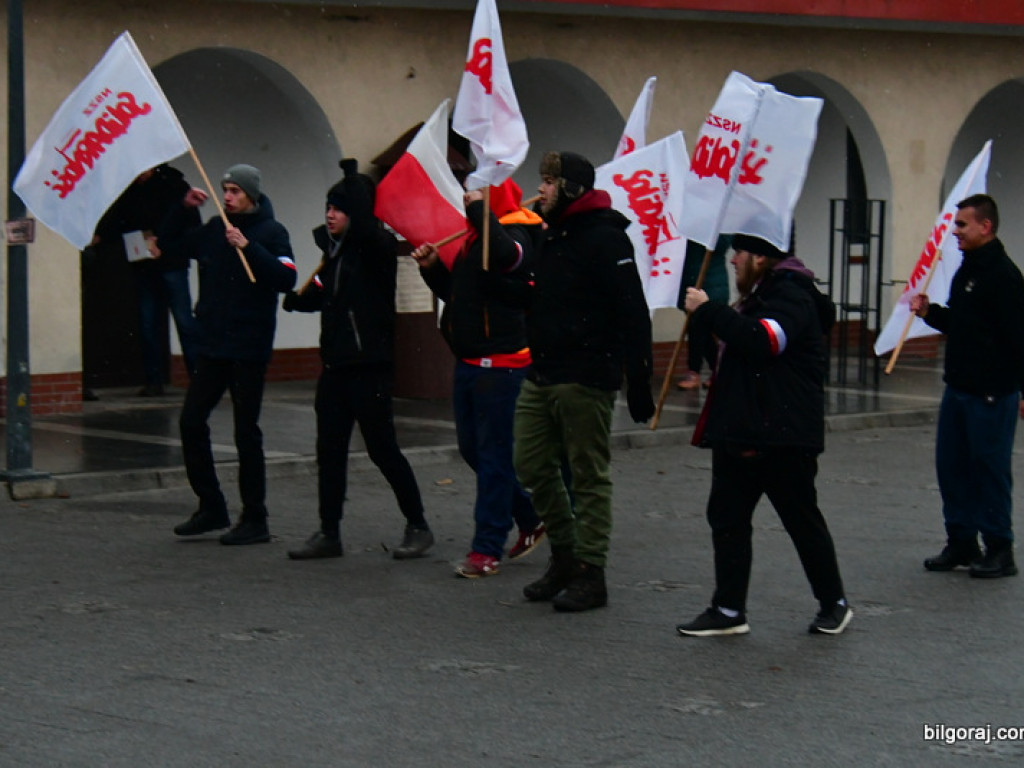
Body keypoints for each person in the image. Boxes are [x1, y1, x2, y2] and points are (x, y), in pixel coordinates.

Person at [676, 233, 852, 636]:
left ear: (760, 256)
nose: (733, 260)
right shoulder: (758, 294)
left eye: (739, 252)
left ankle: (834, 603)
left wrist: (711, 311)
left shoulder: (793, 294)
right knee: (728, 519)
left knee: (800, 519)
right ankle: (728, 609)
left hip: (781, 434)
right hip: (741, 428)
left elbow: (765, 341)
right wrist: (705, 320)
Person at [510, 151, 655, 612]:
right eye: (543, 180)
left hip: (587, 375)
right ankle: (566, 553)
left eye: (550, 181)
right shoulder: (552, 236)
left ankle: (591, 572)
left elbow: (633, 311)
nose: (543, 189)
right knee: (530, 463)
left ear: (571, 188)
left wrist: (640, 380)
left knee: (588, 474)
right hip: (544, 371)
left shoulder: (606, 240)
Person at [283, 160, 434, 561]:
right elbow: (326, 291)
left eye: (338, 208)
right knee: (329, 451)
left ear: (359, 211)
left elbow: (366, 232)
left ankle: (418, 524)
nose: (329, 215)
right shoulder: (336, 254)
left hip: (370, 367)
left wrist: (354, 179)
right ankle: (328, 532)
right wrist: (301, 301)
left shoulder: (376, 247)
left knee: (382, 448)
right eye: (327, 208)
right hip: (335, 367)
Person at [411, 179, 546, 578]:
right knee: (473, 450)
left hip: (502, 364)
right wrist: (434, 270)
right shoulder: (475, 238)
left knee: (494, 456)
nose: (467, 199)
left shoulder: (518, 231)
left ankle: (487, 547)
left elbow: (506, 257)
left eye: (476, 193)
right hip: (470, 361)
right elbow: (461, 294)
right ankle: (531, 515)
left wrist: (477, 213)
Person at [162, 164, 297, 545]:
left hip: (248, 348)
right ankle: (212, 506)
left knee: (245, 432)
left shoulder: (272, 232)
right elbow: (170, 245)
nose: (228, 196)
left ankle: (256, 518)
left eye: (236, 190)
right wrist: (182, 207)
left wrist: (248, 247)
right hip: (213, 345)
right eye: (225, 189)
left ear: (252, 195)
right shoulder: (213, 230)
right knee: (191, 421)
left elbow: (286, 278)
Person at [911, 194, 1024, 578]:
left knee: (988, 469)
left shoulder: (1004, 277)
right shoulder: (968, 269)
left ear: (985, 226)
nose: (954, 232)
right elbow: (963, 325)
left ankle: (999, 547)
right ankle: (960, 540)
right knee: (952, 467)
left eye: (961, 224)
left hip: (991, 392)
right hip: (958, 387)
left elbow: (1017, 338)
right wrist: (930, 313)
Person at [92, 164, 202, 396]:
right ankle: (154, 380)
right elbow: (119, 218)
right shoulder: (133, 190)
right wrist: (102, 233)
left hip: (171, 263)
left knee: (183, 320)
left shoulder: (174, 186)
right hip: (144, 263)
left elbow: (191, 227)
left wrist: (165, 246)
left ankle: (198, 377)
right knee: (148, 322)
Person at [676, 236, 730, 391]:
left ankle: (697, 371)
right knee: (698, 326)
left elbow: (722, 245)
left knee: (699, 326)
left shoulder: (721, 228)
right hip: (691, 278)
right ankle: (716, 370)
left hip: (711, 282)